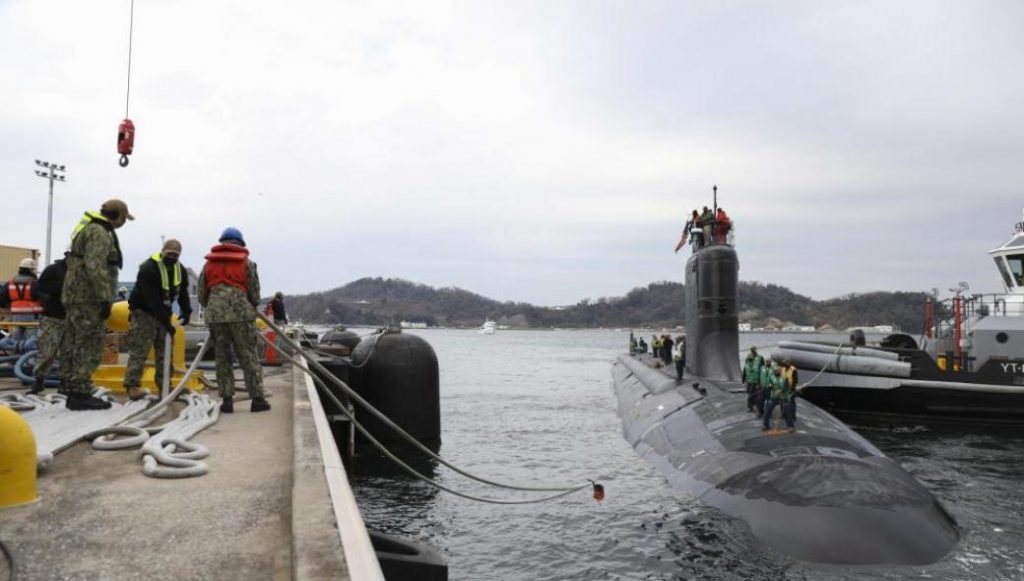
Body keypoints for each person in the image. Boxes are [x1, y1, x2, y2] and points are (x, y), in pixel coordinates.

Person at [62, 199, 133, 410]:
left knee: (74, 342)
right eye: (124, 218)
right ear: (118, 215)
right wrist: (104, 298)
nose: (124, 223)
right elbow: (95, 266)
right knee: (90, 343)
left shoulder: (90, 229)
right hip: (89, 298)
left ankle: (72, 387)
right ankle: (80, 393)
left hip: (76, 295)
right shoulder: (100, 233)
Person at [198, 227, 269, 414]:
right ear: (240, 243)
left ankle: (227, 401)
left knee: (222, 357)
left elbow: (201, 295)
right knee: (248, 356)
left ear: (221, 242)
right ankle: (257, 400)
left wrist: (215, 306)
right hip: (241, 316)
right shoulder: (247, 264)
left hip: (216, 316)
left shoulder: (208, 265)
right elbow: (254, 294)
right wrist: (250, 304)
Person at [122, 239, 192, 400]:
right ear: (162, 251)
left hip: (163, 312)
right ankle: (132, 386)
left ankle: (165, 387)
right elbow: (150, 299)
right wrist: (167, 321)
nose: (172, 257)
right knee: (140, 349)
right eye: (169, 254)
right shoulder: (148, 269)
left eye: (176, 255)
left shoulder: (179, 270)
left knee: (165, 350)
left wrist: (186, 311)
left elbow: (182, 293)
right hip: (143, 311)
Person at [27, 253, 69, 395]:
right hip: (52, 317)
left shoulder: (83, 272)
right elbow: (41, 287)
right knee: (46, 352)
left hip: (73, 319)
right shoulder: (54, 270)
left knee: (69, 353)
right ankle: (39, 381)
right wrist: (64, 287)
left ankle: (65, 383)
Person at [0, 258, 42, 343]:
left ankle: (16, 356)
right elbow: (43, 298)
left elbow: (2, 298)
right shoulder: (35, 283)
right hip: (33, 318)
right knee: (30, 343)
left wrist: (10, 306)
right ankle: (28, 356)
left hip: (16, 318)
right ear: (31, 270)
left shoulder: (10, 283)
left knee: (16, 342)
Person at [763, 361, 794, 431]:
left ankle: (791, 426)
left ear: (780, 371)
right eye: (774, 371)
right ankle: (766, 426)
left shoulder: (784, 378)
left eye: (777, 371)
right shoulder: (772, 377)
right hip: (774, 397)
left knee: (787, 412)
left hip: (783, 397)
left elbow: (788, 388)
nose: (775, 372)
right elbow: (769, 384)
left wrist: (781, 391)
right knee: (767, 410)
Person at [742, 346, 764, 412]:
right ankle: (750, 407)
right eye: (752, 350)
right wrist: (743, 379)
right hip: (750, 380)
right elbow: (745, 369)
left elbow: (763, 368)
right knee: (750, 395)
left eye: (754, 350)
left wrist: (762, 379)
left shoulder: (760, 358)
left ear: (756, 350)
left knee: (758, 395)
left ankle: (758, 408)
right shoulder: (747, 359)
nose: (753, 351)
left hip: (757, 380)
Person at [781, 358, 799, 430]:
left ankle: (793, 416)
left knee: (791, 403)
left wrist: (792, 389)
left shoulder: (793, 369)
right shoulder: (783, 369)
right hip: (784, 388)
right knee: (783, 402)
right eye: (784, 363)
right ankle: (784, 414)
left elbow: (795, 380)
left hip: (790, 388)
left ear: (789, 362)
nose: (785, 364)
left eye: (786, 363)